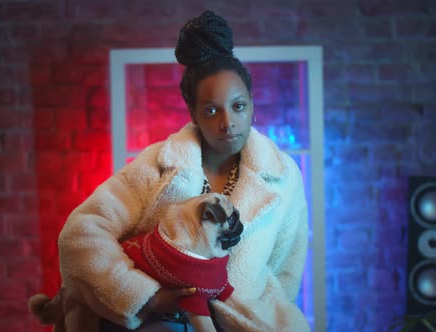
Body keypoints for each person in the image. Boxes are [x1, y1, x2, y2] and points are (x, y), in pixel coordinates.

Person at [57, 10, 310, 332]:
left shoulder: (283, 177)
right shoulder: (159, 164)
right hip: (158, 322)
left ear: (252, 106)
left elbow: (286, 271)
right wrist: (145, 297)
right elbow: (81, 232)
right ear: (193, 114)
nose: (227, 122)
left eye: (238, 106)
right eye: (211, 110)